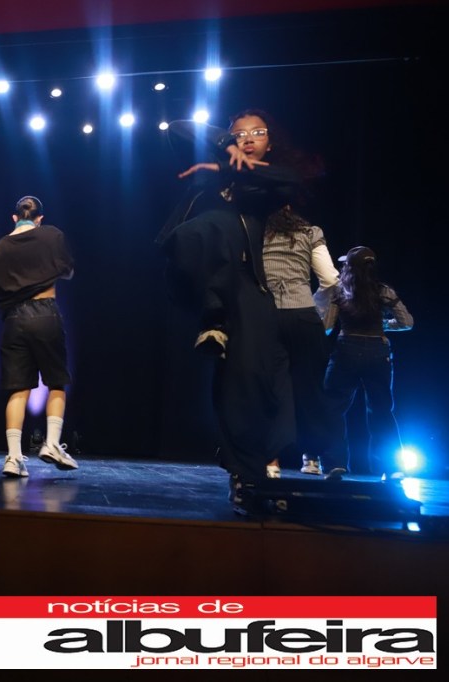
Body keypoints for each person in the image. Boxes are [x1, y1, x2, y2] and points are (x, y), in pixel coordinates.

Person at [158, 109, 303, 500]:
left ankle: (246, 468)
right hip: (197, 268)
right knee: (211, 226)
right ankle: (213, 315)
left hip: (245, 284)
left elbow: (291, 179)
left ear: (270, 142)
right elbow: (177, 127)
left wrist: (233, 170)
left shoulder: (266, 183)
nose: (249, 138)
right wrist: (224, 148)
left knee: (246, 379)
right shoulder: (211, 169)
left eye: (258, 132)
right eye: (240, 133)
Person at [0, 195, 78, 478]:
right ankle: (52, 443)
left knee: (18, 389)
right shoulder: (51, 235)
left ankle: (13, 457)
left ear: (15, 218)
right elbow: (68, 272)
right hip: (45, 313)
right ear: (40, 219)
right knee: (56, 382)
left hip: (14, 319)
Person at [262, 205, 342, 477]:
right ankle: (312, 458)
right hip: (304, 317)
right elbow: (330, 279)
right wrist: (314, 307)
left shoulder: (257, 232)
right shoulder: (310, 232)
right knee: (310, 390)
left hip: (268, 318)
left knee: (271, 390)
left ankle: (271, 461)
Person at [322, 246, 413, 480]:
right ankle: (391, 468)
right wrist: (385, 325)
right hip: (377, 351)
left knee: (333, 407)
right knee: (381, 410)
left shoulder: (339, 291)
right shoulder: (384, 291)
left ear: (349, 267)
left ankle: (334, 464)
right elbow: (407, 322)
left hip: (346, 350)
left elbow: (328, 326)